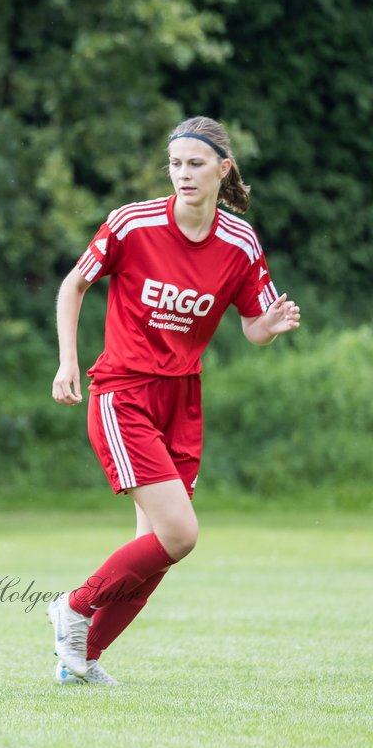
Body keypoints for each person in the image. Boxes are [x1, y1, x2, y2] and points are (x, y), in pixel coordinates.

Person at [47, 116, 301, 685]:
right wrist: (67, 360)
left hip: (182, 401)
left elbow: (252, 328)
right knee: (180, 534)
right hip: (123, 393)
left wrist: (273, 324)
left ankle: (82, 661)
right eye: (176, 164)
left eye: (196, 164)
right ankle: (73, 607)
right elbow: (74, 285)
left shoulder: (240, 241)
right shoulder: (132, 224)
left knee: (158, 548)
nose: (183, 174)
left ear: (223, 169)